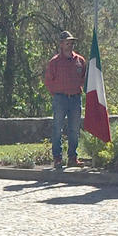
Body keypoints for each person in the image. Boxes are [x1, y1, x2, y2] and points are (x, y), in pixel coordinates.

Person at [45, 31, 87, 169]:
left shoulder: (80, 60)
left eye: (71, 43)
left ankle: (72, 157)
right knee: (57, 128)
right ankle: (57, 158)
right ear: (61, 44)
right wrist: (56, 94)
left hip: (75, 99)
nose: (70, 45)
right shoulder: (54, 62)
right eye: (67, 43)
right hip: (60, 98)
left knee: (74, 129)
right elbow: (49, 81)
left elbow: (83, 78)